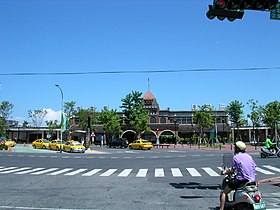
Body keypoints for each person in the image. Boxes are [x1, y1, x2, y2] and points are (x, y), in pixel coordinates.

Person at [220, 141, 256, 210]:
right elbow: (254, 166)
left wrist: (225, 172)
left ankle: (221, 209)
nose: (234, 148)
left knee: (224, 192)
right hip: (252, 180)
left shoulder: (236, 157)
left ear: (237, 148)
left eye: (235, 147)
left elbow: (233, 170)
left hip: (241, 180)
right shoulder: (249, 157)